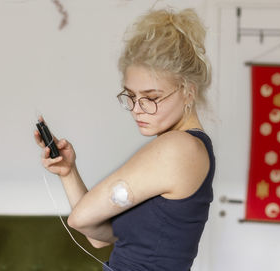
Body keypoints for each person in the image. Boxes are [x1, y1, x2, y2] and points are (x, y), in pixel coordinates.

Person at [34, 8, 215, 271]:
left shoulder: (178, 148)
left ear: (188, 92)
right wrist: (68, 172)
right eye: (130, 95)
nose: (137, 108)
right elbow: (97, 237)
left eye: (151, 97)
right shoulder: (189, 149)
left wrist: (84, 215)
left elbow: (81, 217)